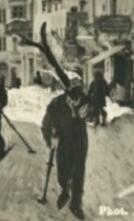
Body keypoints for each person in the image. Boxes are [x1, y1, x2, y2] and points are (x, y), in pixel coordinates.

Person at [41, 75, 92, 220]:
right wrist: (50, 137)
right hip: (62, 141)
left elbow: (93, 114)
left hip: (79, 141)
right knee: (63, 170)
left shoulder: (85, 101)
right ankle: (65, 188)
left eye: (79, 92)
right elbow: (46, 123)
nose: (77, 98)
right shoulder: (57, 103)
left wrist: (89, 114)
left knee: (78, 172)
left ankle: (76, 204)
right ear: (67, 92)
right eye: (74, 93)